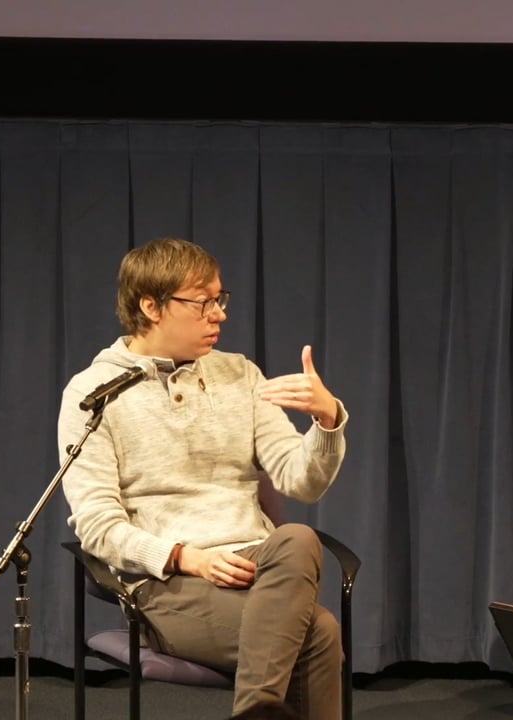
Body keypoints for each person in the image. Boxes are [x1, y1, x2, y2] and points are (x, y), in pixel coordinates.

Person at [58, 237, 349, 719]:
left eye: (220, 299)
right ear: (151, 306)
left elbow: (302, 482)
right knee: (318, 633)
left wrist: (327, 420)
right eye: (202, 302)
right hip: (168, 581)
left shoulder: (240, 374)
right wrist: (185, 557)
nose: (219, 315)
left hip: (257, 567)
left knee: (298, 537)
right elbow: (97, 525)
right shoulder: (94, 394)